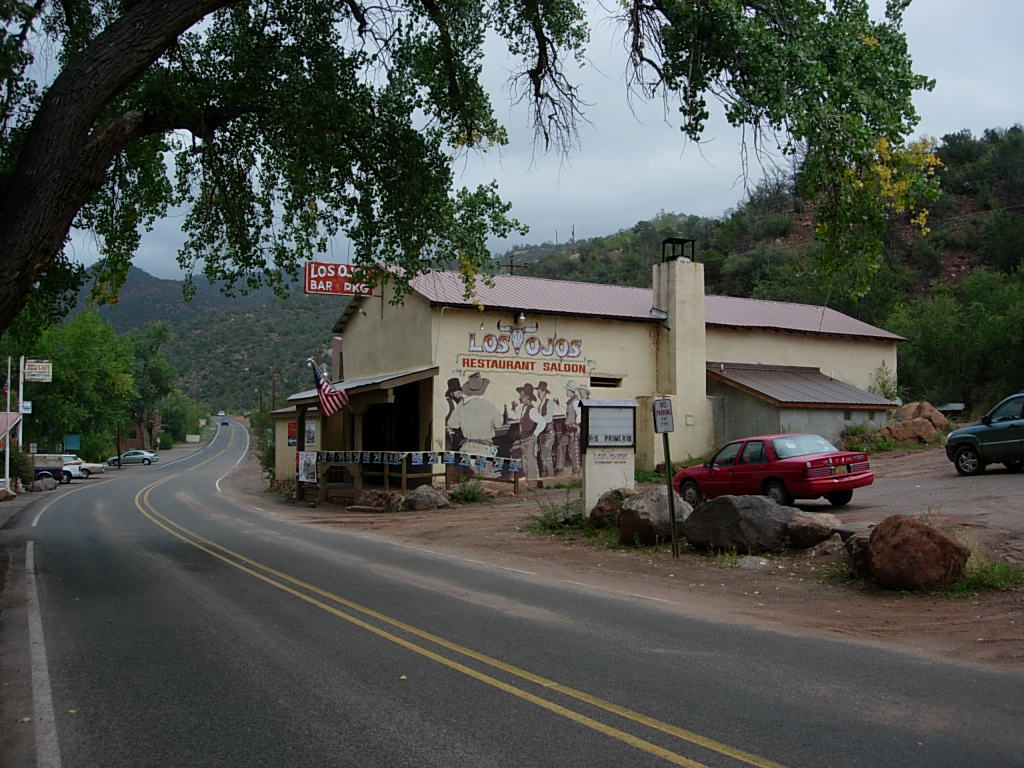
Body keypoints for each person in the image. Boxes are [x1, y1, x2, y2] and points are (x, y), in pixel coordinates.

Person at [446, 372, 502, 459]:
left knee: (469, 472)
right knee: (486, 471)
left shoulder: (463, 406)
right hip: (486, 449)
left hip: (469, 448)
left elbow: (452, 424)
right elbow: (498, 424)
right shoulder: (489, 405)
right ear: (483, 389)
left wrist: (460, 403)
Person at [509, 382, 546, 480]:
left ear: (528, 397)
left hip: (529, 441)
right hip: (524, 441)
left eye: (522, 396)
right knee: (525, 463)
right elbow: (514, 416)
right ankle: (529, 482)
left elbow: (542, 422)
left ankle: (534, 483)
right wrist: (512, 408)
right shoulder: (523, 409)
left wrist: (535, 434)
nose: (520, 398)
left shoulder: (532, 410)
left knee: (531, 463)